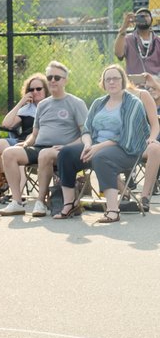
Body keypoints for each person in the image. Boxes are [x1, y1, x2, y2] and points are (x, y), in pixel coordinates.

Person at [54, 65, 149, 223]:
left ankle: (113, 210)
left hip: (126, 150)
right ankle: (69, 204)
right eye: (108, 79)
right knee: (66, 154)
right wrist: (87, 145)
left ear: (123, 81)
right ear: (103, 83)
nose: (111, 82)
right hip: (95, 147)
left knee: (102, 157)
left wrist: (97, 147)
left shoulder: (133, 103)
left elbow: (127, 135)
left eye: (115, 78)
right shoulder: (98, 103)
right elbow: (87, 130)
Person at [0, 62, 87, 217]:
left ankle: (40, 202)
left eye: (57, 77)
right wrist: (25, 143)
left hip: (62, 150)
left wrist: (68, 146)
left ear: (65, 81)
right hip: (39, 146)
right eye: (50, 77)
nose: (52, 80)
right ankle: (16, 202)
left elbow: (86, 133)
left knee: (45, 154)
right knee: (9, 153)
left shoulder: (76, 103)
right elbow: (35, 134)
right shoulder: (43, 105)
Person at [0, 72, 47, 195]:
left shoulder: (51, 106)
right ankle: (6, 181)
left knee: (16, 151)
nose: (35, 91)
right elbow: (6, 124)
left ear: (46, 90)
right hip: (22, 140)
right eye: (31, 89)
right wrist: (21, 102)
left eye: (39, 89)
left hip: (40, 142)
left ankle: (16, 195)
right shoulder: (27, 109)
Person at [114, 8, 160, 77]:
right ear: (135, 20)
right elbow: (119, 54)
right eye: (140, 16)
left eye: (146, 16)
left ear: (151, 20)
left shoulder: (158, 40)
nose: (143, 18)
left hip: (155, 83)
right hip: (134, 83)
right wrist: (124, 27)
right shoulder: (128, 39)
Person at [137, 73, 160, 207]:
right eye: (148, 88)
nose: (151, 90)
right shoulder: (143, 105)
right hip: (147, 145)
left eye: (154, 87)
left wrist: (153, 81)